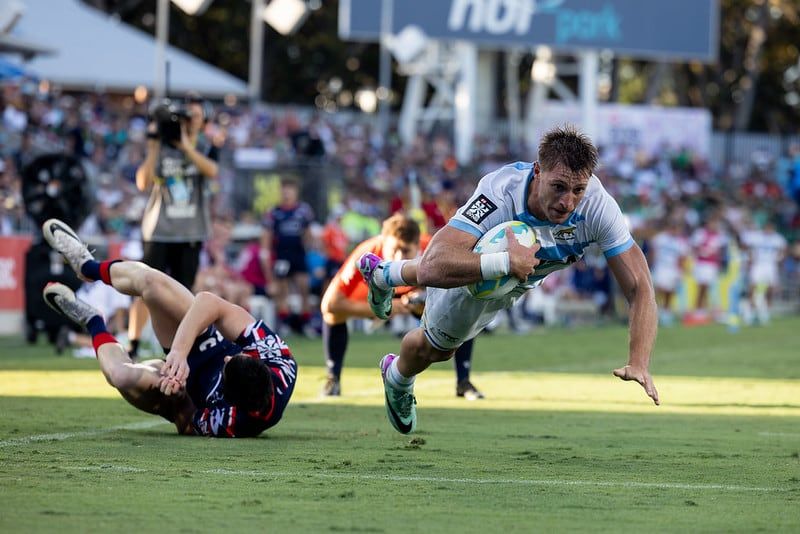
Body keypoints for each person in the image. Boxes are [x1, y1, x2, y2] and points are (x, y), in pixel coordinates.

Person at [357, 126, 660, 434]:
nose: (568, 202)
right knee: (438, 350)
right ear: (538, 171)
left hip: (520, 281)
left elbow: (640, 286)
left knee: (450, 340)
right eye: (559, 187)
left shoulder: (598, 207)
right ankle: (397, 376)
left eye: (578, 190)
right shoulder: (501, 192)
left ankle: (384, 274)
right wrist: (505, 262)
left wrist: (639, 360)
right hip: (481, 273)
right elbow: (433, 265)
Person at [41, 218, 297, 438]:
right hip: (204, 338)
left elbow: (186, 422)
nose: (229, 356)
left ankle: (92, 321)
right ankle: (89, 267)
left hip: (186, 387)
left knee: (121, 376)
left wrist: (178, 397)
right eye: (236, 355)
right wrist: (179, 352)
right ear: (260, 363)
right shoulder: (278, 360)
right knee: (152, 283)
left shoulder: (234, 421)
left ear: (231, 399)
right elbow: (209, 302)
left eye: (228, 364)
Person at [320, 213, 484, 399]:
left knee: (459, 310)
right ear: (383, 243)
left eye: (405, 251)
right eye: (394, 249)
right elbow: (330, 305)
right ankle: (333, 378)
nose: (398, 257)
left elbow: (458, 287)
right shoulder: (366, 253)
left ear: (418, 246)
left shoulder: (433, 248)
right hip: (372, 289)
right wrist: (383, 308)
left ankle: (463, 381)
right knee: (333, 315)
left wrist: (423, 301)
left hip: (416, 291)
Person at [128, 93, 219, 358]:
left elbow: (212, 171)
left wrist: (187, 146)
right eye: (185, 116)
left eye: (196, 117)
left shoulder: (206, 146)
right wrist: (155, 142)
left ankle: (179, 351)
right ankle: (133, 344)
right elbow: (143, 182)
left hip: (191, 231)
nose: (189, 122)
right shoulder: (162, 145)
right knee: (144, 288)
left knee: (183, 295)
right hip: (159, 230)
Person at [263, 178, 315, 334]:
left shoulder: (303, 210)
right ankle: (285, 324)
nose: (287, 193)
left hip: (298, 254)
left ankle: (305, 323)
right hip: (282, 255)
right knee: (282, 290)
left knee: (304, 287)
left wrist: (310, 248)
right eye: (284, 189)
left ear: (295, 192)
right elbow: (267, 235)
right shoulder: (274, 212)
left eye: (290, 189)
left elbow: (308, 232)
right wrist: (266, 253)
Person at [740, 220, 787, 325]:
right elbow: (745, 246)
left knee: (770, 289)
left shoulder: (777, 238)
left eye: (771, 228)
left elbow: (783, 249)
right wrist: (749, 257)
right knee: (753, 287)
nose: (769, 230)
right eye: (767, 228)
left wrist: (779, 258)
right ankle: (749, 312)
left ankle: (765, 313)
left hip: (771, 265)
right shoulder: (756, 237)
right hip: (758, 264)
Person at [648, 219, 690, 325]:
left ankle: (666, 314)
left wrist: (681, 271)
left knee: (670, 292)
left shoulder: (680, 242)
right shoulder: (660, 238)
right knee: (658, 290)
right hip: (661, 268)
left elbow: (682, 258)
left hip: (672, 269)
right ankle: (653, 312)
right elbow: (652, 253)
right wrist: (650, 266)